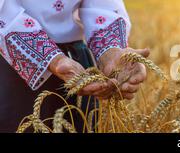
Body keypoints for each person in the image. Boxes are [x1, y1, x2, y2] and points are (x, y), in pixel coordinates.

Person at [0, 0, 148, 132]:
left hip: (75, 62)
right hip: (14, 62)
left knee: (83, 125)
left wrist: (110, 52)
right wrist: (52, 59)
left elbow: (102, 5)